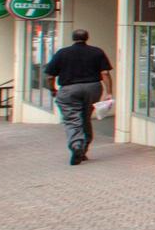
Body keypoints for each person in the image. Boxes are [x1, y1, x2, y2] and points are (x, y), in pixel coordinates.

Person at [42, 28, 113, 166]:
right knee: (85, 117)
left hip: (69, 89)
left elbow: (50, 76)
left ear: (73, 38)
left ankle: (76, 145)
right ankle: (84, 148)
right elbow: (105, 73)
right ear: (87, 37)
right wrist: (108, 91)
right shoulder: (97, 52)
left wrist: (53, 89)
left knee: (72, 119)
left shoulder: (62, 53)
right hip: (93, 88)